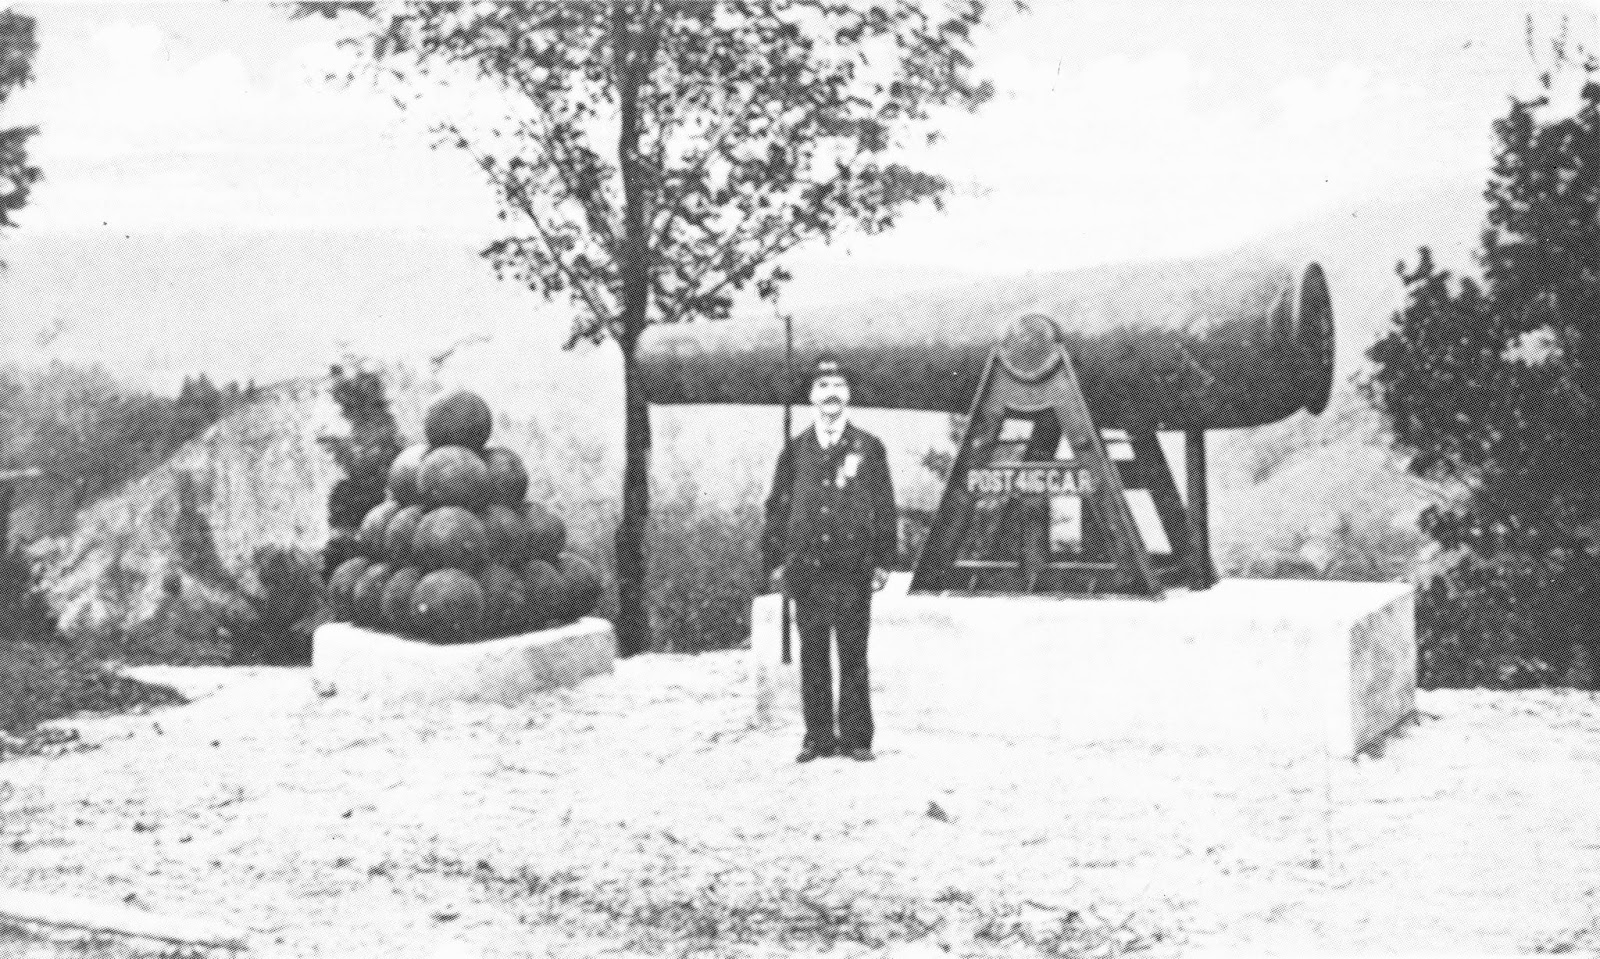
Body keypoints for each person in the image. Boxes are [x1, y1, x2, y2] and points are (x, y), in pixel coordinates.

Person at [763, 356, 897, 763]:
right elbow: (778, 507)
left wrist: (884, 559)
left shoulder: (868, 447)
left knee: (854, 653)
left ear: (849, 395)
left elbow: (885, 505)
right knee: (814, 653)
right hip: (807, 570)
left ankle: (857, 738)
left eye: (839, 385)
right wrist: (775, 561)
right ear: (811, 397)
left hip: (853, 568)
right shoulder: (795, 450)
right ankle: (818, 737)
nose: (831, 394)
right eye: (822, 387)